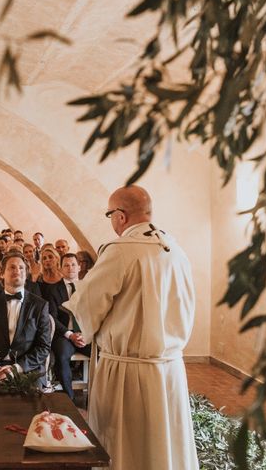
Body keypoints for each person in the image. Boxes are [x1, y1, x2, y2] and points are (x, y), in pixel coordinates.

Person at [64, 185, 198, 470]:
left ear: (121, 216)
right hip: (169, 369)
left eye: (110, 214)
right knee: (165, 445)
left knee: (127, 447)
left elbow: (88, 303)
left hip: (128, 370)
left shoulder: (121, 251)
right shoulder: (175, 249)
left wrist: (85, 329)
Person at [0, 251, 52, 386]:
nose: (17, 271)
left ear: (26, 274)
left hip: (26, 367)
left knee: (33, 402)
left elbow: (43, 347)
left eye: (21, 268)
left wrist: (16, 368)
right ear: (2, 273)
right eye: (12, 267)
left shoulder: (40, 305)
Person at [44, 253, 90, 400]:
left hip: (85, 334)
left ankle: (96, 397)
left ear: (79, 267)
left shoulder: (88, 288)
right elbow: (51, 317)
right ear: (61, 268)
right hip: (64, 335)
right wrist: (70, 334)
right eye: (66, 265)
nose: (70, 268)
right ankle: (69, 399)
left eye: (73, 265)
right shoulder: (52, 290)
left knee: (101, 355)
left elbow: (94, 313)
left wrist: (86, 333)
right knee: (62, 355)